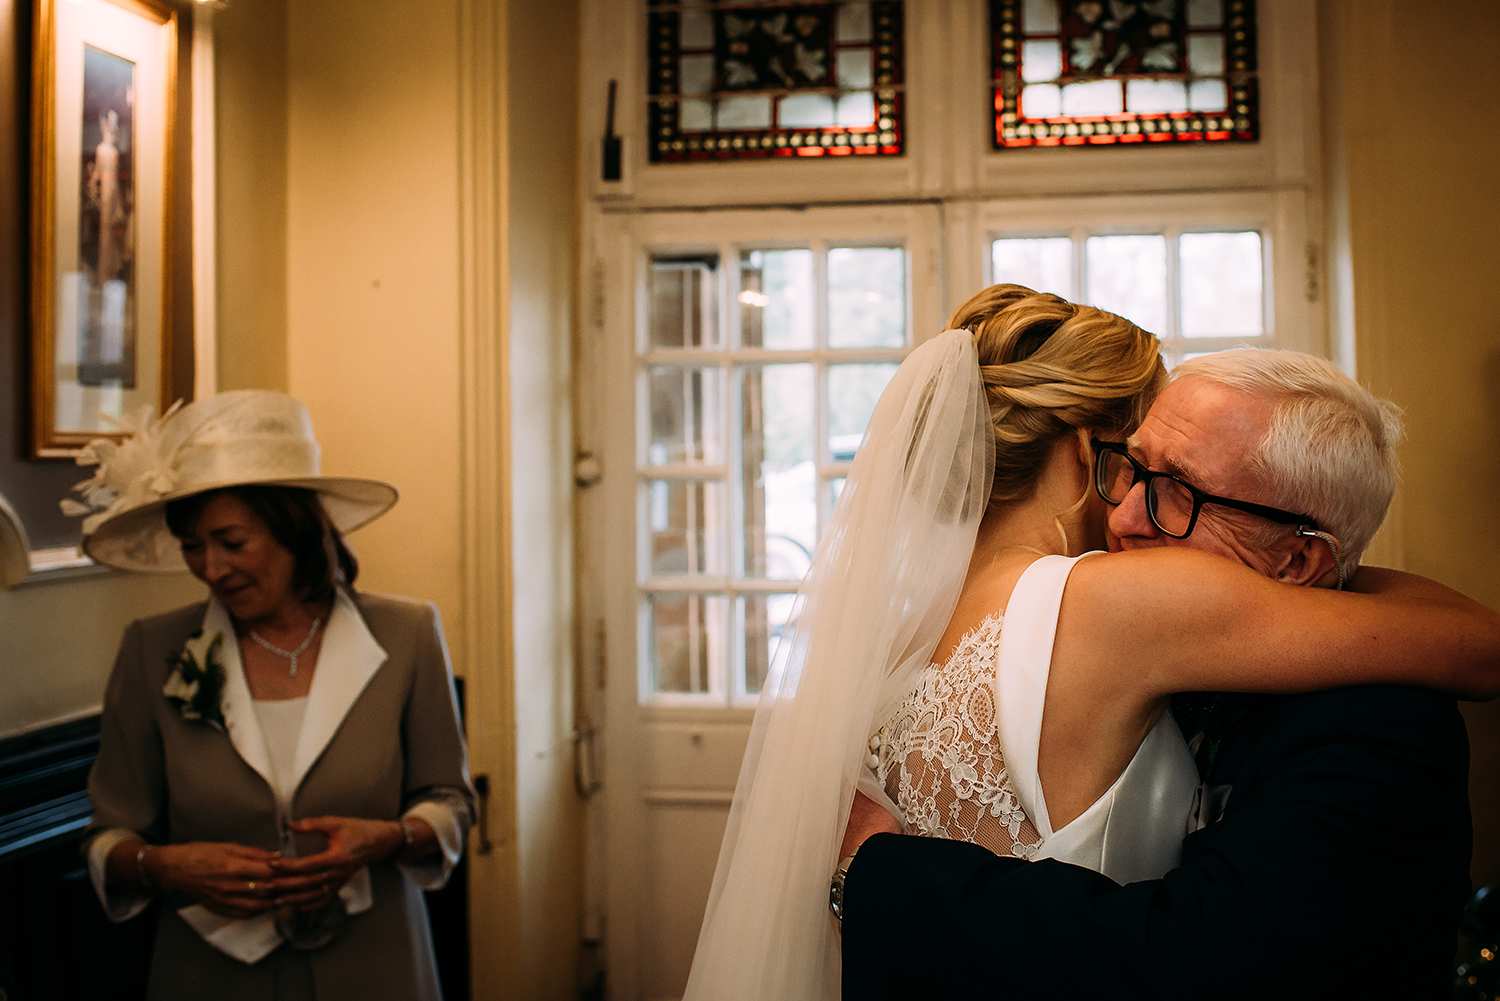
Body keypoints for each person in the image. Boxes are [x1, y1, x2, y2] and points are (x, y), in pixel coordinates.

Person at [682, 285, 1500, 1001]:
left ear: (1300, 558)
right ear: (1087, 451)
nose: (1126, 516)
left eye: (1176, 491)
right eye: (1129, 467)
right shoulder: (1120, 605)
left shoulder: (908, 627)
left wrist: (875, 874)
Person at [67, 390, 475, 1001]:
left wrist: (390, 837)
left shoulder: (408, 633)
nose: (211, 568)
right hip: (208, 974)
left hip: (375, 966)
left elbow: (450, 801)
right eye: (193, 546)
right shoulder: (154, 650)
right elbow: (108, 836)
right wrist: (164, 866)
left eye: (232, 542)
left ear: (297, 531)